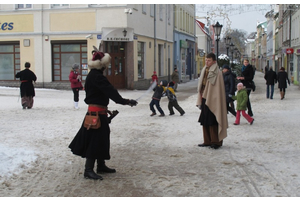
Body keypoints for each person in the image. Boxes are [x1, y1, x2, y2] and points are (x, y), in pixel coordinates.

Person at [69, 48, 138, 180]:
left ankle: (101, 165)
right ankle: (88, 170)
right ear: (103, 65)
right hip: (96, 115)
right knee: (94, 141)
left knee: (101, 139)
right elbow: (111, 92)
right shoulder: (98, 77)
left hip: (97, 113)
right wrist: (127, 101)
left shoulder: (92, 76)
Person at [196, 53, 228, 150]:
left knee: (213, 119)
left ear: (214, 61)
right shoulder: (204, 70)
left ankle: (216, 141)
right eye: (206, 60)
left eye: (209, 60)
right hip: (205, 97)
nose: (207, 62)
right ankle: (207, 141)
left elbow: (217, 89)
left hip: (214, 99)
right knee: (205, 119)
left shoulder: (217, 72)